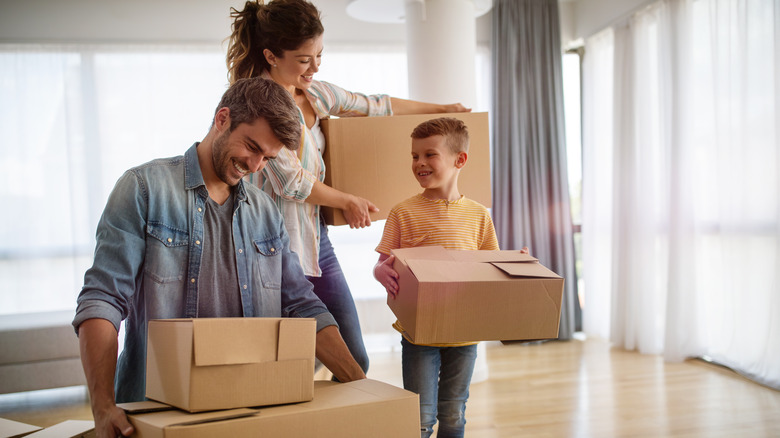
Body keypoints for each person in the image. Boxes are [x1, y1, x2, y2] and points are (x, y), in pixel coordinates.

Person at [72, 77, 366, 438]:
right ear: (222, 118)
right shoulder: (144, 189)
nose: (256, 166)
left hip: (253, 410)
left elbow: (301, 304)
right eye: (252, 147)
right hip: (158, 413)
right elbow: (103, 299)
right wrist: (102, 408)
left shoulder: (265, 212)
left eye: (268, 158)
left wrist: (361, 384)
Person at [226, 0, 471, 376]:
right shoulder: (257, 104)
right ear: (272, 56)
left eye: (320, 55)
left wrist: (442, 108)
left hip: (314, 239)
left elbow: (375, 105)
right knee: (286, 364)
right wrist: (348, 202)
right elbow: (292, 181)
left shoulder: (316, 94)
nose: (316, 66)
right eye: (305, 59)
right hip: (269, 247)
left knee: (354, 358)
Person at [373, 118, 528, 438]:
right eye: (415, 156)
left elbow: (491, 266)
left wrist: (517, 263)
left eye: (430, 154)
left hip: (465, 333)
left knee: (455, 413)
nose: (419, 163)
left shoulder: (479, 214)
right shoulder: (402, 212)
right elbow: (383, 262)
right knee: (419, 420)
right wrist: (380, 271)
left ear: (460, 160)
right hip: (419, 334)